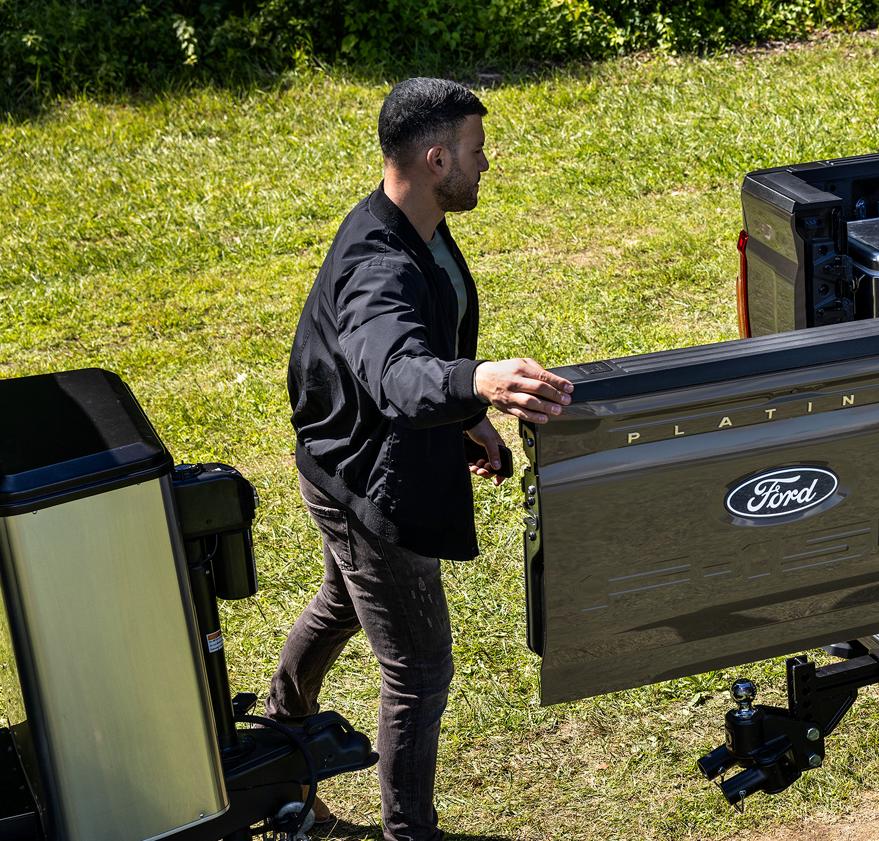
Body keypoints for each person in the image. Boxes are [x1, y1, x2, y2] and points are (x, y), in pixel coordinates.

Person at [272, 77, 573, 841]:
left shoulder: (419, 222)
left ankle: (278, 732)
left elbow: (425, 350)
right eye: (475, 150)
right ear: (436, 158)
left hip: (355, 454)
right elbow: (397, 372)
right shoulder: (378, 265)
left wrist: (468, 418)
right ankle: (411, 833)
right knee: (419, 667)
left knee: (345, 599)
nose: (486, 162)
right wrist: (480, 381)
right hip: (363, 480)